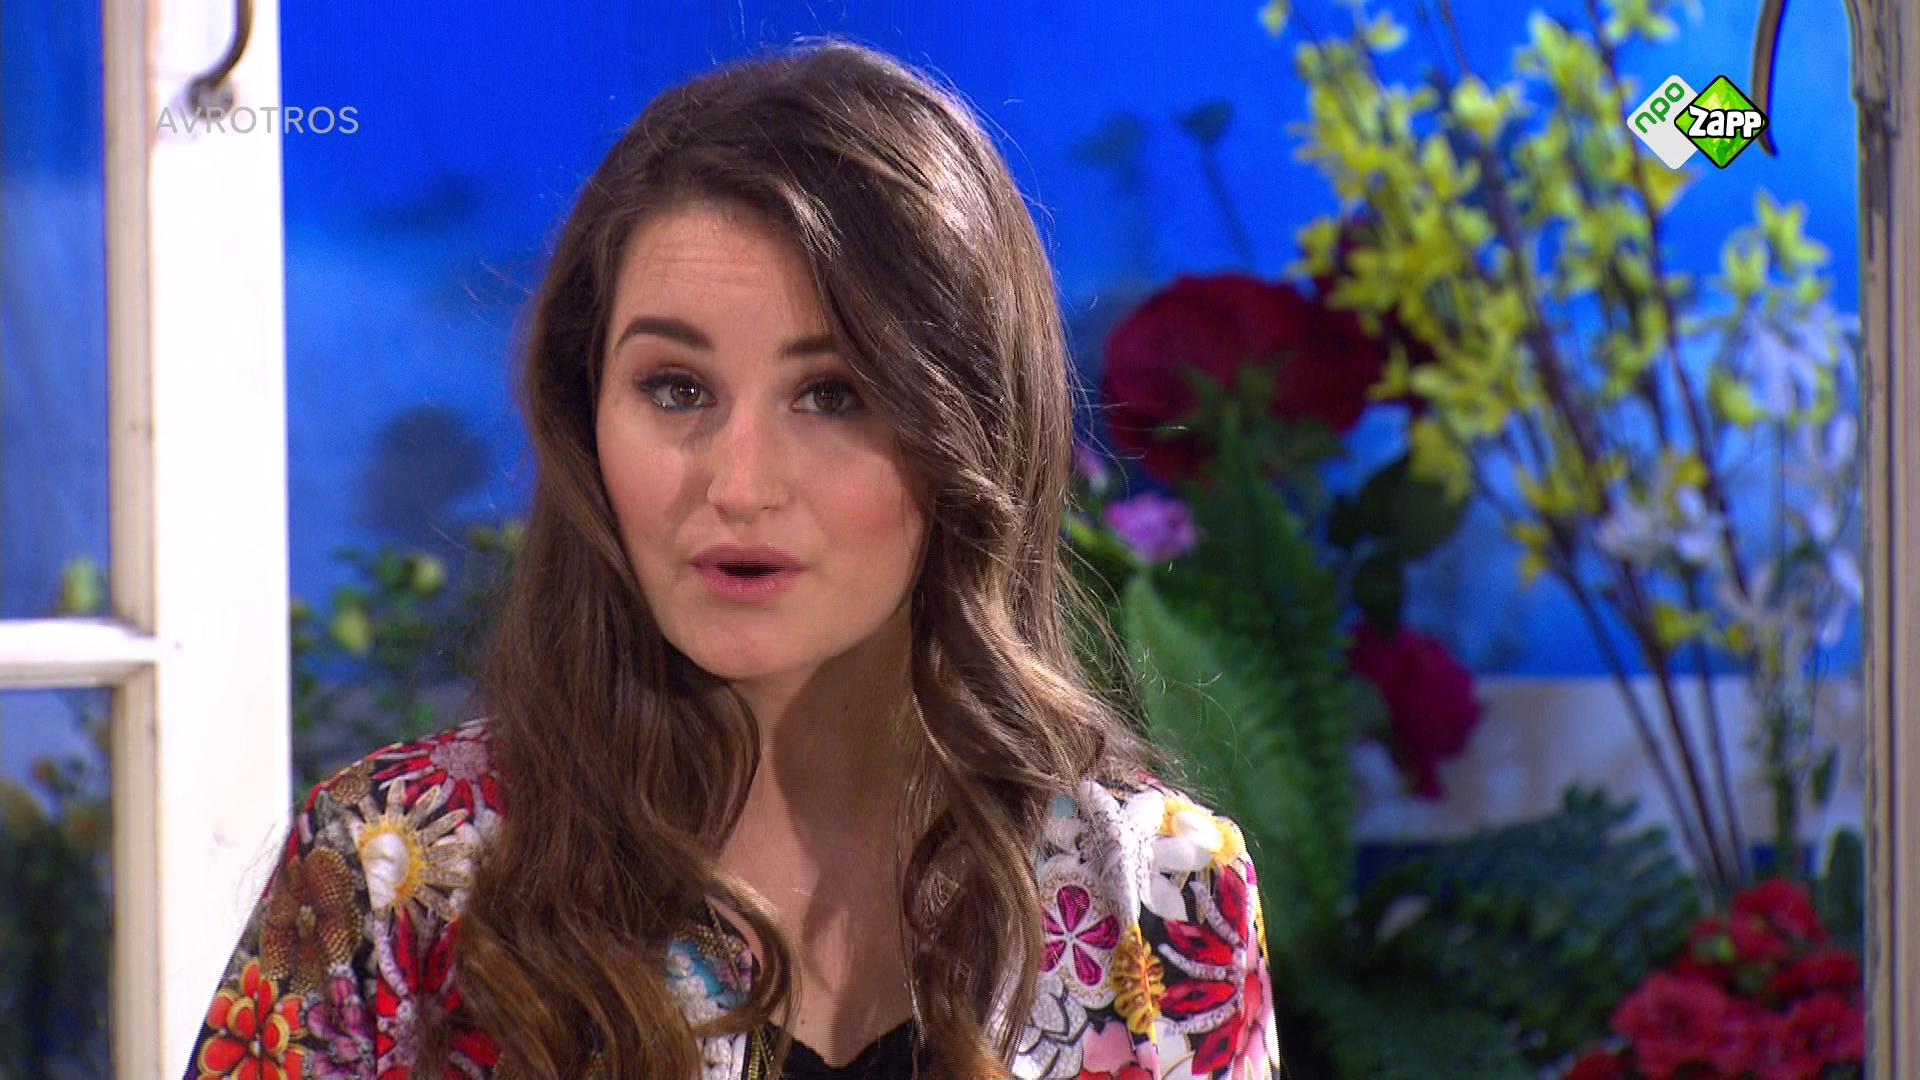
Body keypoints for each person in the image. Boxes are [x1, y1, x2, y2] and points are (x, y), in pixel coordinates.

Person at [181, 36, 1282, 1080]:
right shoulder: (390, 873)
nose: (740, 483)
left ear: (975, 431)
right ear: (586, 414)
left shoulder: (1162, 896)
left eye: (834, 395)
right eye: (675, 389)